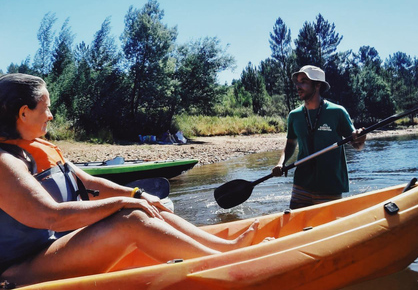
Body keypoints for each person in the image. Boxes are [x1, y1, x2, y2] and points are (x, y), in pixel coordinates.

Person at [0, 74, 262, 286]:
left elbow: (88, 182)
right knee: (132, 219)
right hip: (19, 272)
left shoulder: (35, 147)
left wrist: (136, 194)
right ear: (24, 113)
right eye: (46, 108)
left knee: (147, 204)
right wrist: (121, 204)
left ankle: (228, 248)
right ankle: (230, 267)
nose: (51, 115)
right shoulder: (4, 162)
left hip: (49, 250)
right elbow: (51, 216)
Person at [272, 65, 366, 209]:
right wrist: (281, 163)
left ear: (317, 85)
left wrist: (361, 138)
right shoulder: (294, 116)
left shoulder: (337, 112)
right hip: (301, 184)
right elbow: (290, 144)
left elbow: (358, 146)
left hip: (330, 186)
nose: (298, 86)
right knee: (297, 226)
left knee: (328, 229)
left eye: (303, 81)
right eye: (297, 82)